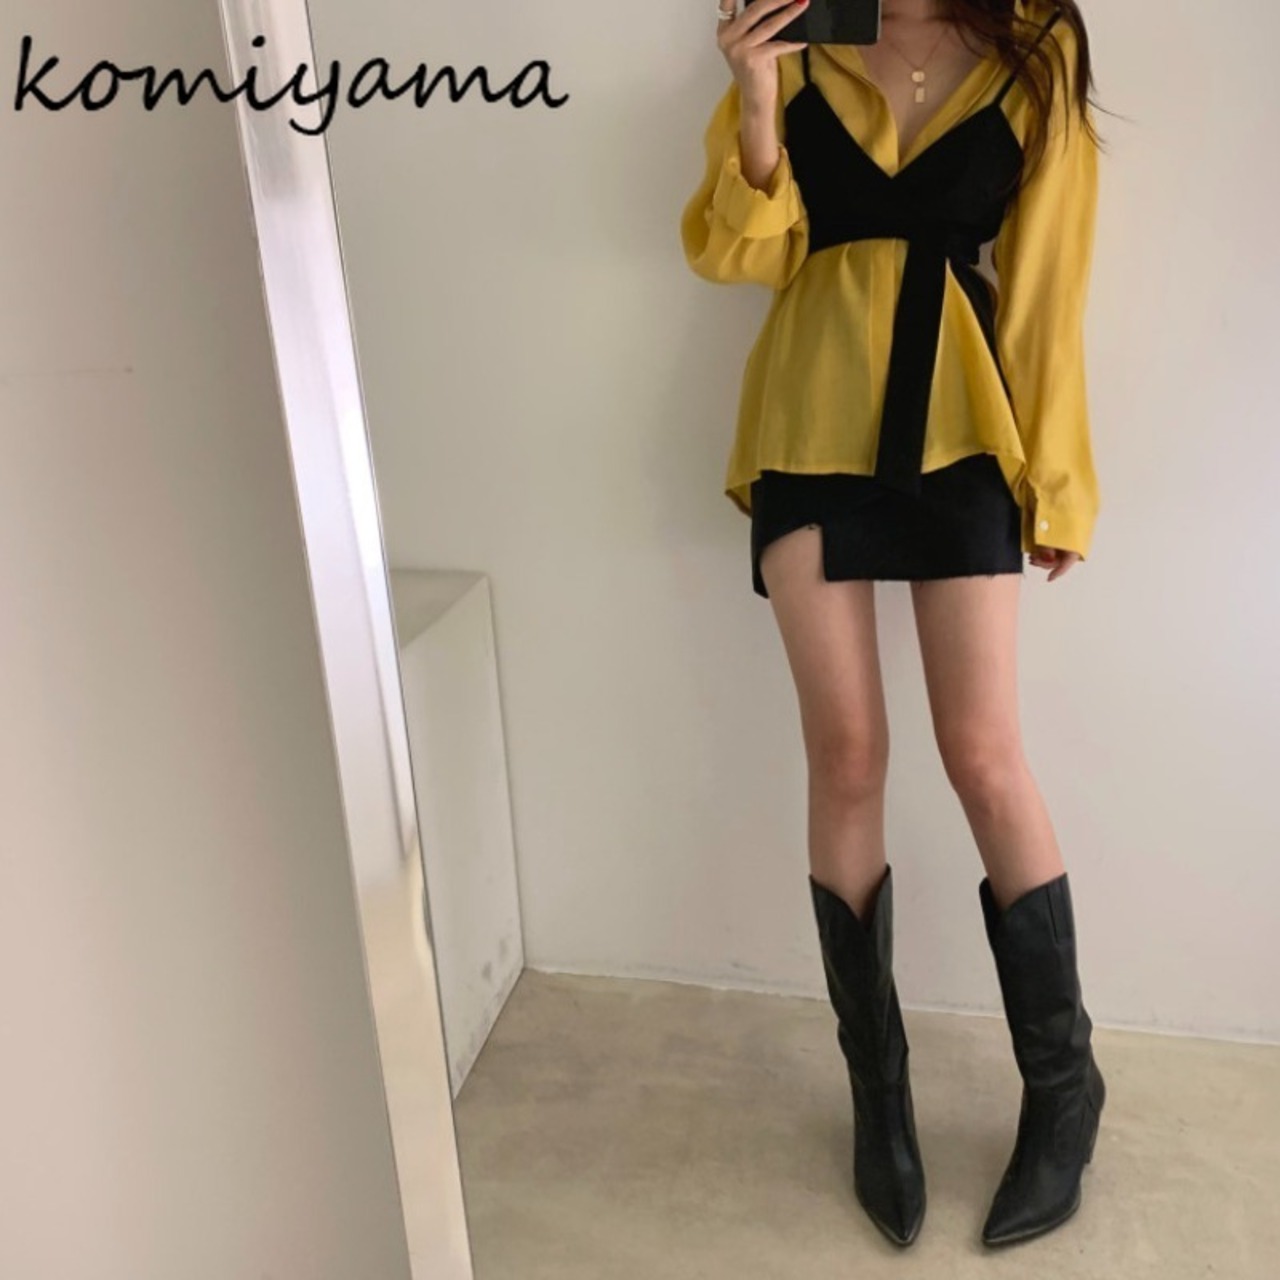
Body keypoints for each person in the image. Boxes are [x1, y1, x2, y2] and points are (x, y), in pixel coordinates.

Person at [679, 0, 1106, 1250]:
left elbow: (1045, 288)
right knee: (847, 753)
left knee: (981, 753)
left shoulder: (1034, 44)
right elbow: (737, 253)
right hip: (808, 420)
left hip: (962, 424)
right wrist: (757, 96)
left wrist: (1056, 481)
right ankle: (879, 1096)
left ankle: (1064, 1088)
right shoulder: (793, 28)